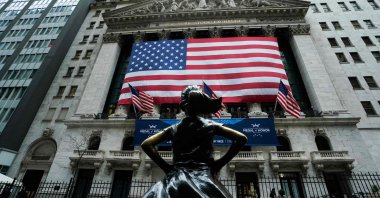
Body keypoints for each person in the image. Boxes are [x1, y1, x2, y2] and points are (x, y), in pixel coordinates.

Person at [141, 85, 247, 198]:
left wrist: (166, 168)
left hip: (177, 178)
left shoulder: (174, 128)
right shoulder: (210, 126)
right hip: (204, 177)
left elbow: (147, 144)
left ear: (183, 106)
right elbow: (241, 138)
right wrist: (219, 163)